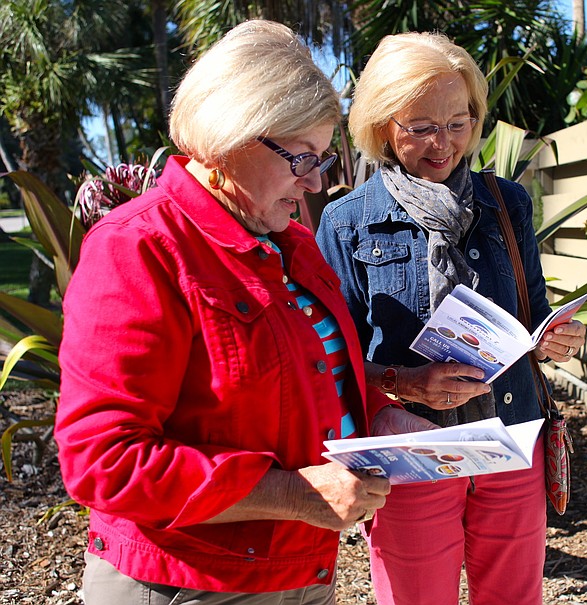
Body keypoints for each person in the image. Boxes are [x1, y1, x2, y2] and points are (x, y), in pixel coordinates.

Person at [55, 20, 432, 605]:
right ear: (233, 136)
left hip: (298, 568)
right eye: (301, 157)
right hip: (187, 582)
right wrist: (290, 493)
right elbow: (104, 460)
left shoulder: (294, 245)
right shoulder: (139, 246)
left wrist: (379, 418)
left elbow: (317, 373)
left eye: (323, 159)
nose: (313, 184)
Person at [315, 32, 587, 605]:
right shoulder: (346, 222)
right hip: (410, 454)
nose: (443, 144)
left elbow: (533, 313)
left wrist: (554, 338)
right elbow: (327, 363)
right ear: (383, 125)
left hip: (512, 437)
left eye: (458, 123)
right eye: (421, 128)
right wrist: (404, 381)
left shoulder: (506, 202)